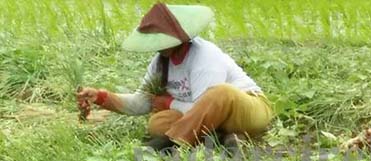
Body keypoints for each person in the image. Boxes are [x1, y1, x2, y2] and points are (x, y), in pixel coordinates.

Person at [76, 3, 273, 150]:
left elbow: (204, 107)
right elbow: (141, 102)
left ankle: (168, 146)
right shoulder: (160, 62)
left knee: (220, 93)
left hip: (246, 110)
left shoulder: (204, 56)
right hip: (206, 119)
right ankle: (224, 138)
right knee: (158, 122)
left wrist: (169, 103)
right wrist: (101, 97)